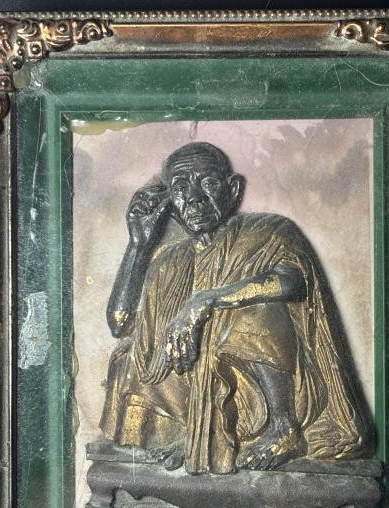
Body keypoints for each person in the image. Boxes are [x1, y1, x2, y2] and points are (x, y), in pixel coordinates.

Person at [100, 142, 365, 474]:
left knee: (253, 313)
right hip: (194, 384)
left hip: (259, 381)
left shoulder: (267, 231)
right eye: (180, 188)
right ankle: (197, 430)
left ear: (234, 189)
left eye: (208, 182)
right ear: (170, 202)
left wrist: (206, 301)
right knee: (128, 355)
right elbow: (121, 323)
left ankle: (283, 428)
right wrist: (138, 246)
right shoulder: (171, 261)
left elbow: (294, 281)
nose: (194, 198)